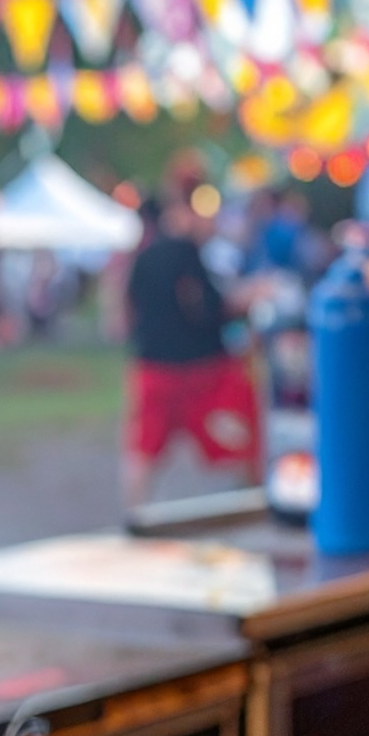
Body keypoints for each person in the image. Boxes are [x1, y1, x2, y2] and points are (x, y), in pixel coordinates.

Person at [122, 183, 260, 510]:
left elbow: (127, 308)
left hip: (153, 366)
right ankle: (255, 507)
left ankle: (134, 518)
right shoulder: (186, 254)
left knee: (144, 452)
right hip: (204, 371)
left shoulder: (145, 256)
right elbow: (208, 310)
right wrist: (247, 300)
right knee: (241, 441)